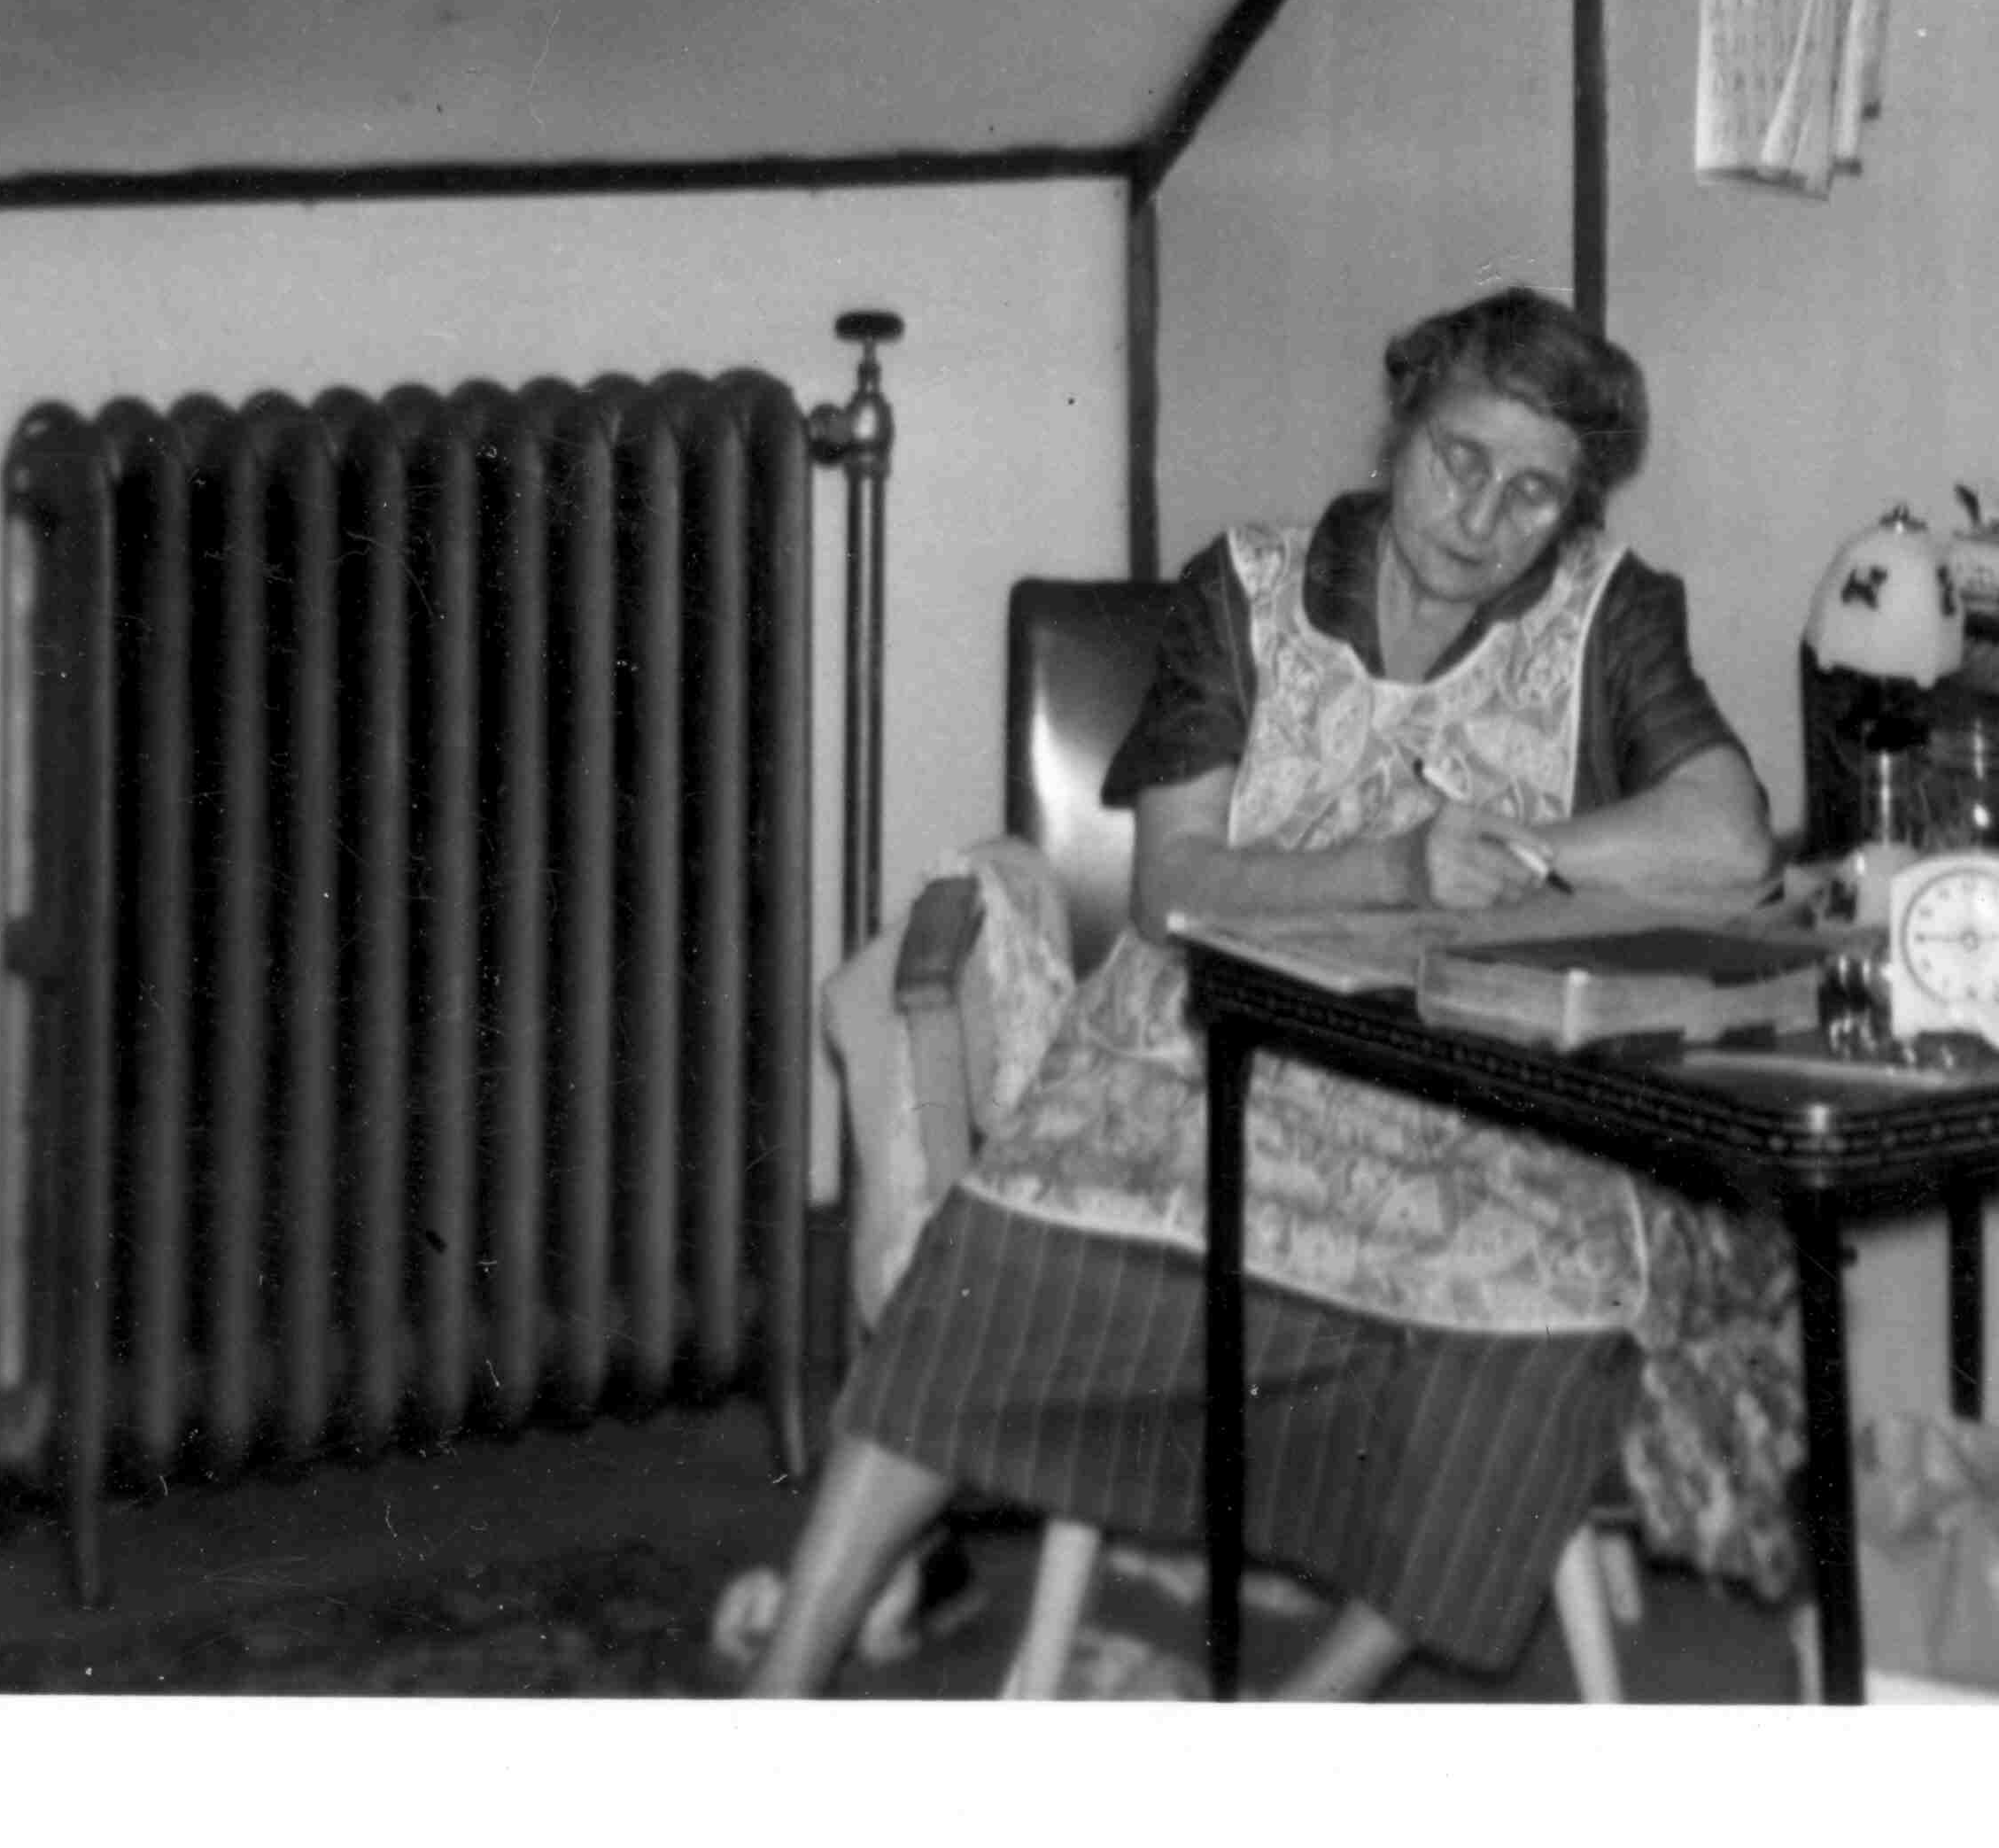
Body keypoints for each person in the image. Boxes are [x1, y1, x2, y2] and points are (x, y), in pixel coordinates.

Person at [741, 286, 1776, 1697]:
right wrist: (1397, 866)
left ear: (1573, 510)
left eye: (1534, 494)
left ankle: (1289, 1731)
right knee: (999, 1262)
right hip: (1204, 1049)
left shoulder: (1611, 614)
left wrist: (1529, 851)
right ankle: (779, 1692)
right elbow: (1174, 888)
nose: (1483, 517)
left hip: (1459, 1091)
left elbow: (1731, 842)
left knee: (1547, 1336)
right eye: (1461, 460)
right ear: (1400, 428)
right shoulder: (1246, 590)